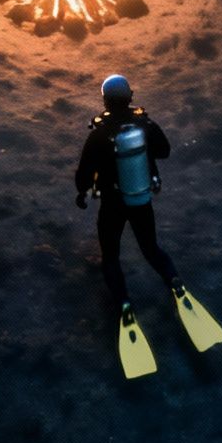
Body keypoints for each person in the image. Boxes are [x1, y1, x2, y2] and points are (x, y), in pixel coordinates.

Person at [74, 74, 182, 312]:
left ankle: (124, 303)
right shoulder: (145, 124)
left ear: (105, 102)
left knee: (111, 255)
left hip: (112, 204)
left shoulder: (98, 134)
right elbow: (164, 151)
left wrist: (81, 192)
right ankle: (174, 282)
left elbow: (84, 173)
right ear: (130, 96)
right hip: (140, 198)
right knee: (151, 248)